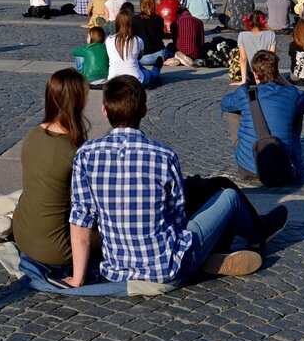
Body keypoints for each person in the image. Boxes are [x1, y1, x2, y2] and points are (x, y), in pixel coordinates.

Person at [65, 76, 287, 289]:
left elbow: (81, 219)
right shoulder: (163, 155)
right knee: (228, 196)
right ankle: (256, 237)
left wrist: (77, 278)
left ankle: (210, 256)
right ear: (144, 111)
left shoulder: (86, 154)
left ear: (105, 112)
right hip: (168, 268)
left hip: (117, 271)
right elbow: (177, 216)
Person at [0, 69, 94, 268]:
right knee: (109, 232)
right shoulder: (75, 150)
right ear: (78, 102)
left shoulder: (32, 135)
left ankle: (10, 220)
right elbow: (84, 204)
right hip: (57, 249)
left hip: (23, 234)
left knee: (34, 191)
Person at [223, 50, 304, 180]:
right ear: (276, 72)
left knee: (233, 111)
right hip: (281, 166)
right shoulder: (291, 93)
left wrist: (243, 90)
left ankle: (247, 154)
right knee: (297, 110)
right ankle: (295, 162)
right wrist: (287, 84)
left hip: (249, 167)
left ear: (255, 74)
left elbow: (224, 104)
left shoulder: (244, 93)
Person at [105, 7, 162, 87]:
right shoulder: (138, 40)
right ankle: (157, 67)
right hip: (135, 79)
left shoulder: (109, 40)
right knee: (151, 74)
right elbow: (140, 56)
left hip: (113, 79)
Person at [235, 10, 277, 86]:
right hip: (266, 73)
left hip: (251, 73)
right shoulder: (271, 35)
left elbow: (243, 59)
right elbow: (272, 57)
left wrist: (243, 80)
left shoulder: (242, 35)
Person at [132, 0, 168, 66]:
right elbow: (161, 37)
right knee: (170, 48)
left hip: (143, 57)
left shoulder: (135, 19)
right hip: (159, 54)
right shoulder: (159, 19)